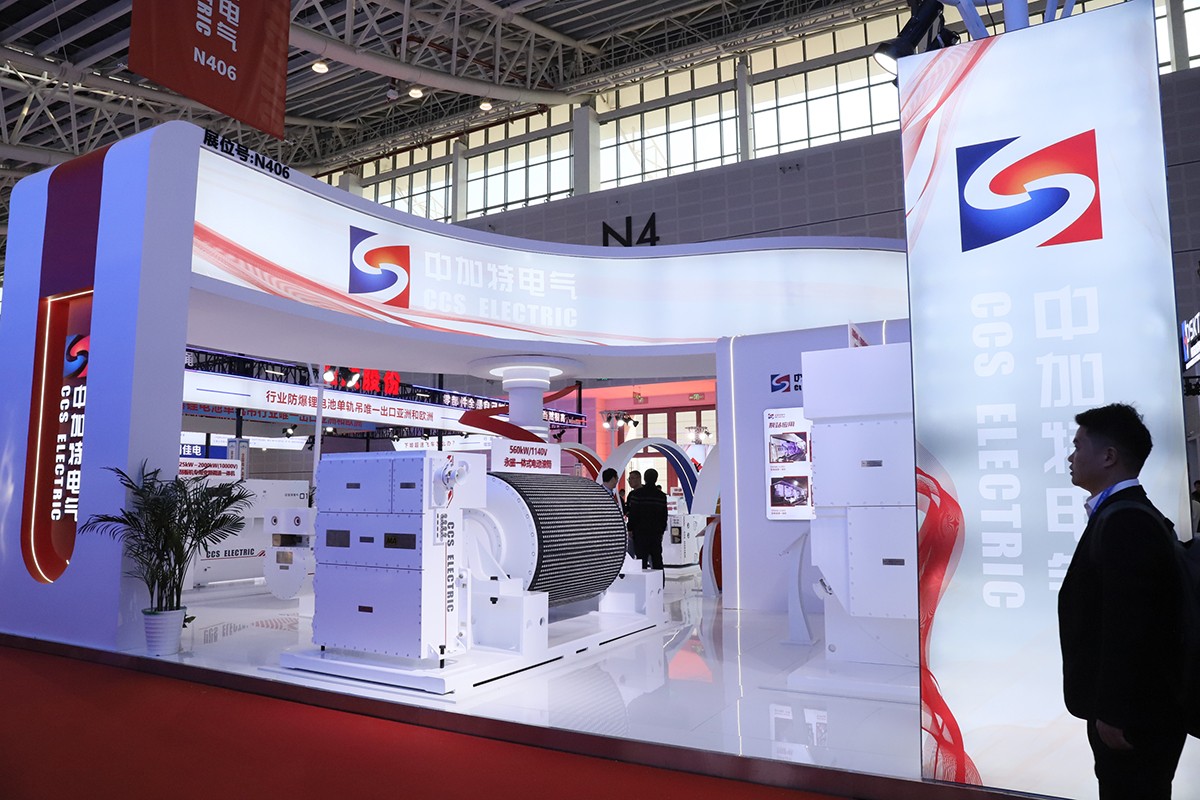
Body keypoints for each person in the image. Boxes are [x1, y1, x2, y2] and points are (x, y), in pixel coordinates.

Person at [1058, 403, 1186, 800]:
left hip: (1134, 715)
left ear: (1109, 456)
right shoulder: (1128, 513)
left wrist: (1114, 712)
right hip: (1138, 709)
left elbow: (1128, 625)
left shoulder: (1126, 520)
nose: (1071, 457)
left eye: (1078, 446)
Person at [626, 467, 667, 570]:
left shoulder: (637, 494)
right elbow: (664, 516)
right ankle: (659, 580)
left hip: (640, 533)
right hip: (655, 533)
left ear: (644, 478)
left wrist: (630, 528)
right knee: (657, 560)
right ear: (656, 479)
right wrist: (661, 531)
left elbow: (633, 514)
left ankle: (643, 580)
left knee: (641, 561)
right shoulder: (661, 496)